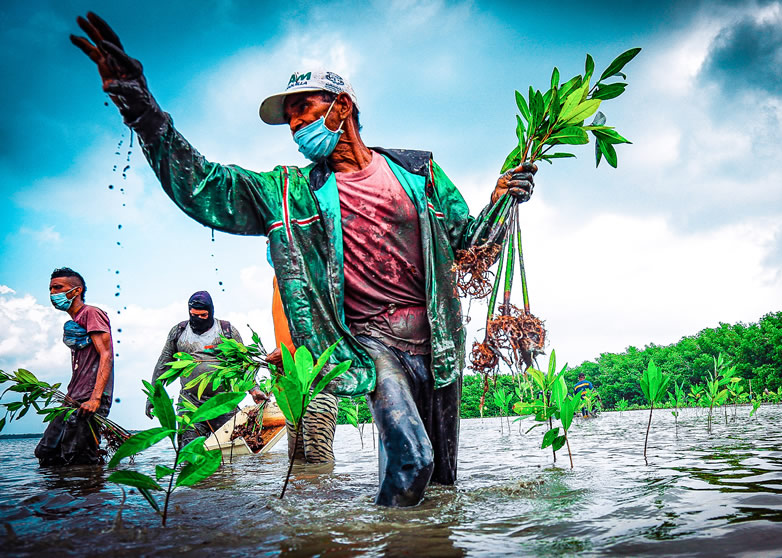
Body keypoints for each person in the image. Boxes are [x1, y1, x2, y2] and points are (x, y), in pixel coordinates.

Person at [72, 13, 535, 507]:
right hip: (370, 344)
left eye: (304, 107)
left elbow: (468, 243)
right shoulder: (289, 192)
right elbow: (205, 185)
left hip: (439, 343)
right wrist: (140, 107)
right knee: (412, 459)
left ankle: (404, 540)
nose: (295, 123)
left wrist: (503, 200)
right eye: (289, 116)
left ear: (344, 105)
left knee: (442, 483)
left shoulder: (420, 174)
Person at [148, 291, 265, 445]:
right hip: (190, 404)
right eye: (193, 315)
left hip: (222, 403)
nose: (198, 320)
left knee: (237, 450)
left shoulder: (226, 331)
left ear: (211, 312)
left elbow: (245, 365)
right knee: (189, 453)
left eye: (203, 315)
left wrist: (254, 389)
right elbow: (163, 364)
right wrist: (153, 396)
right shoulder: (179, 332)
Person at [267, 240, 339, 466]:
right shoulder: (278, 280)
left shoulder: (313, 272)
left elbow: (324, 325)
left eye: (273, 241)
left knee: (317, 454)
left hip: (316, 377)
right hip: (290, 380)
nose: (270, 245)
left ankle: (326, 501)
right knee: (295, 459)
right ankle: (298, 502)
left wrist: (290, 350)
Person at [35, 267, 114, 466]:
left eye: (58, 288)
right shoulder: (75, 320)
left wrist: (95, 399)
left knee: (78, 458)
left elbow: (106, 355)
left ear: (76, 290)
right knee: (46, 451)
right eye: (51, 289)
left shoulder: (91, 313)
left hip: (90, 397)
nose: (53, 293)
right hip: (73, 397)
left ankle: (91, 493)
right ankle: (60, 495)